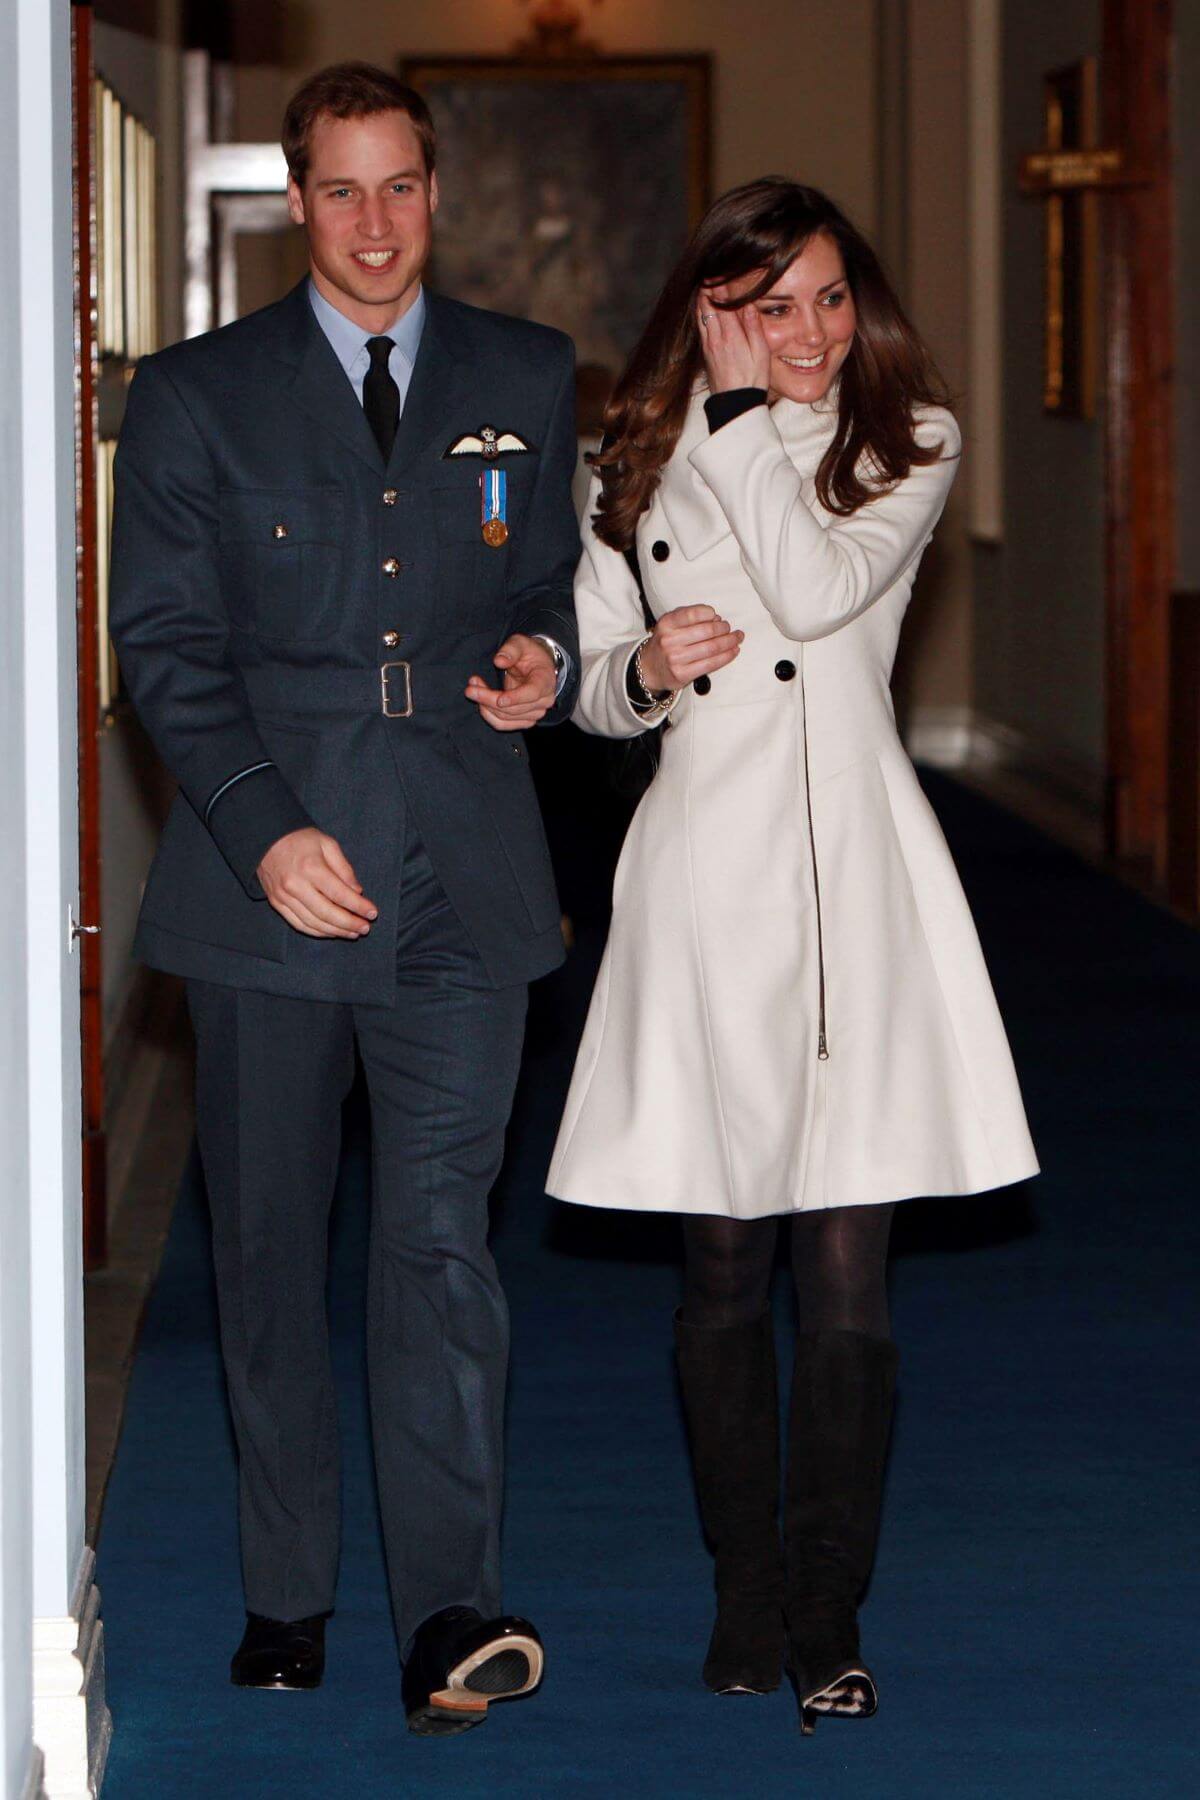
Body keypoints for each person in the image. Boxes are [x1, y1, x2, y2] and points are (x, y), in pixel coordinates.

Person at [109, 63, 581, 1738]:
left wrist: (546, 656)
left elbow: (542, 581)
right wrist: (258, 827)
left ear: (432, 192)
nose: (376, 226)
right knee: (268, 1249)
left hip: (465, 867)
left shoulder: (526, 374)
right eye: (343, 191)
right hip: (271, 887)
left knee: (441, 1245)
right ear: (294, 202)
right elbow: (162, 648)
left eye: (403, 189)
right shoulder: (194, 396)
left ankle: (452, 1608)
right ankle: (287, 1586)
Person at [546, 178, 1038, 1733]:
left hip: (852, 885)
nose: (812, 331)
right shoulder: (626, 456)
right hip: (704, 873)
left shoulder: (912, 444)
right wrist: (636, 664)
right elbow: (591, 687)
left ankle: (829, 1614)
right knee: (717, 1260)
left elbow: (819, 596)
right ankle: (742, 1595)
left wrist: (744, 410)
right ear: (712, 309)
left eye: (831, 297)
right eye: (773, 306)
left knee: (845, 1273)